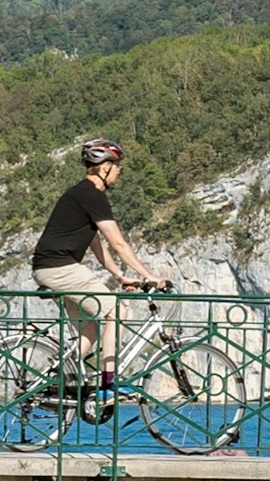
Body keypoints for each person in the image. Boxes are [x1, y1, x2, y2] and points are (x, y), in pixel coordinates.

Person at [30, 139, 170, 386]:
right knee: (116, 312)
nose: (119, 172)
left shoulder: (80, 194)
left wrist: (120, 275)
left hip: (49, 269)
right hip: (60, 268)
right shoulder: (93, 195)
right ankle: (108, 382)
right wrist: (149, 276)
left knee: (91, 329)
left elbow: (97, 245)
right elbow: (118, 244)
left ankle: (59, 378)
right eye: (117, 166)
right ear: (104, 167)